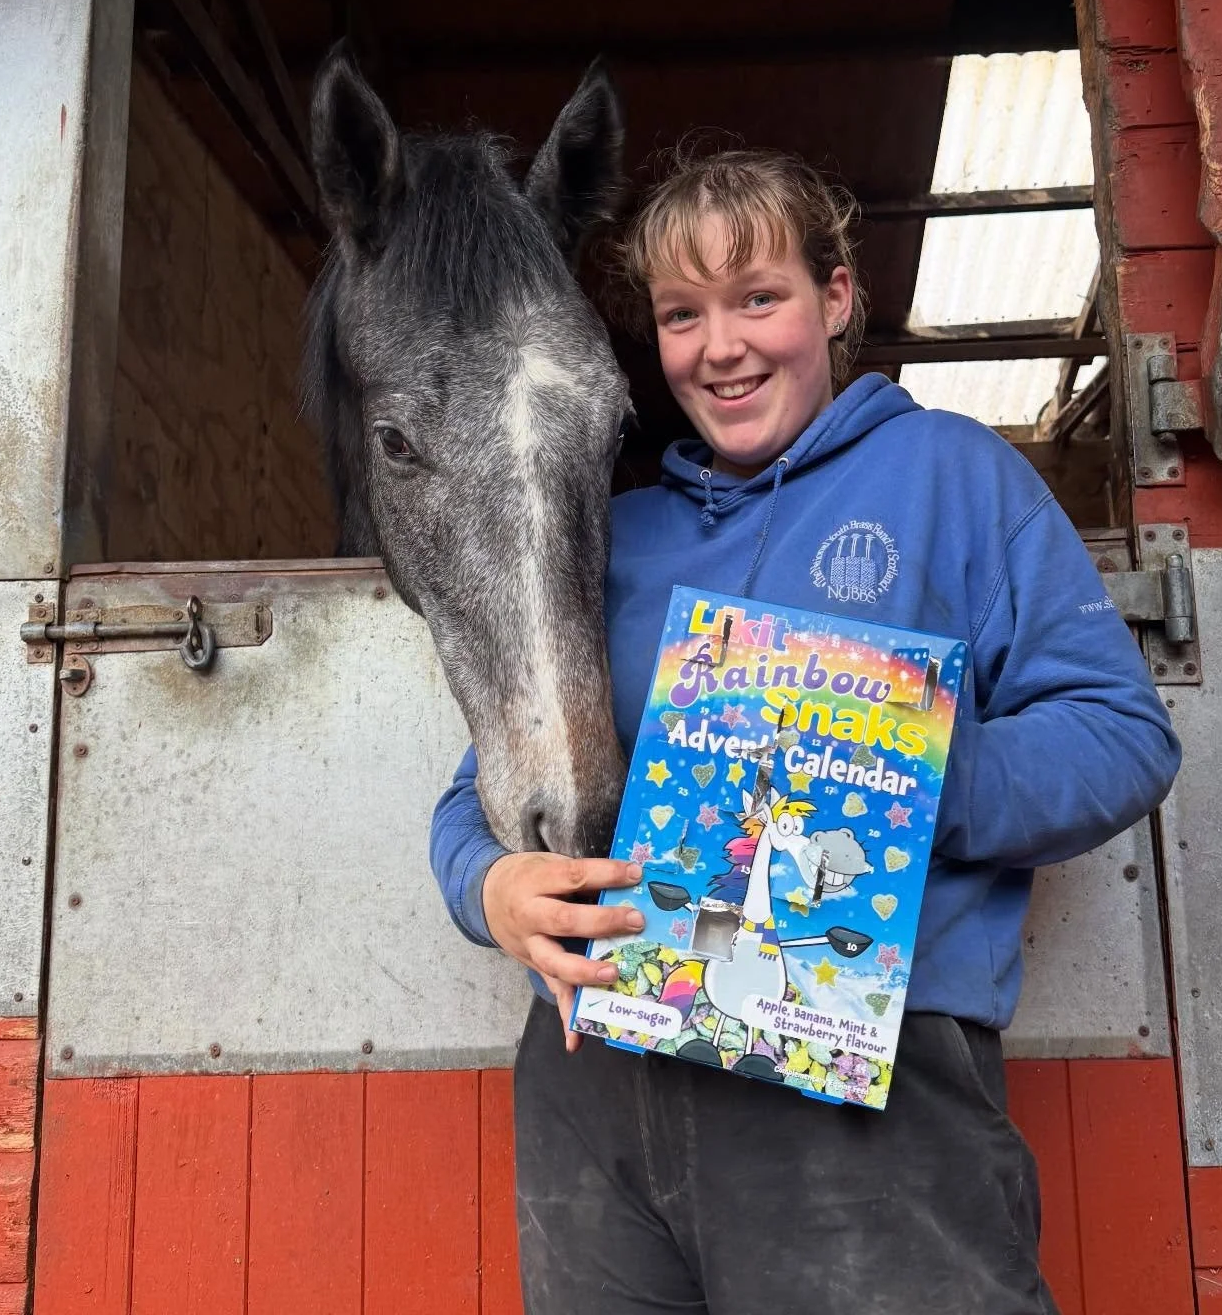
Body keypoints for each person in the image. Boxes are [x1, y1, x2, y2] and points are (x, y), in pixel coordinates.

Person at [431, 148, 1181, 1315]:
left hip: (862, 1078)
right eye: (683, 315)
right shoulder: (615, 534)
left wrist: (894, 773)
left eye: (758, 298)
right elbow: (474, 790)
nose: (719, 346)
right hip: (600, 1092)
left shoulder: (954, 475)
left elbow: (1123, 735)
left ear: (834, 300)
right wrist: (490, 890)